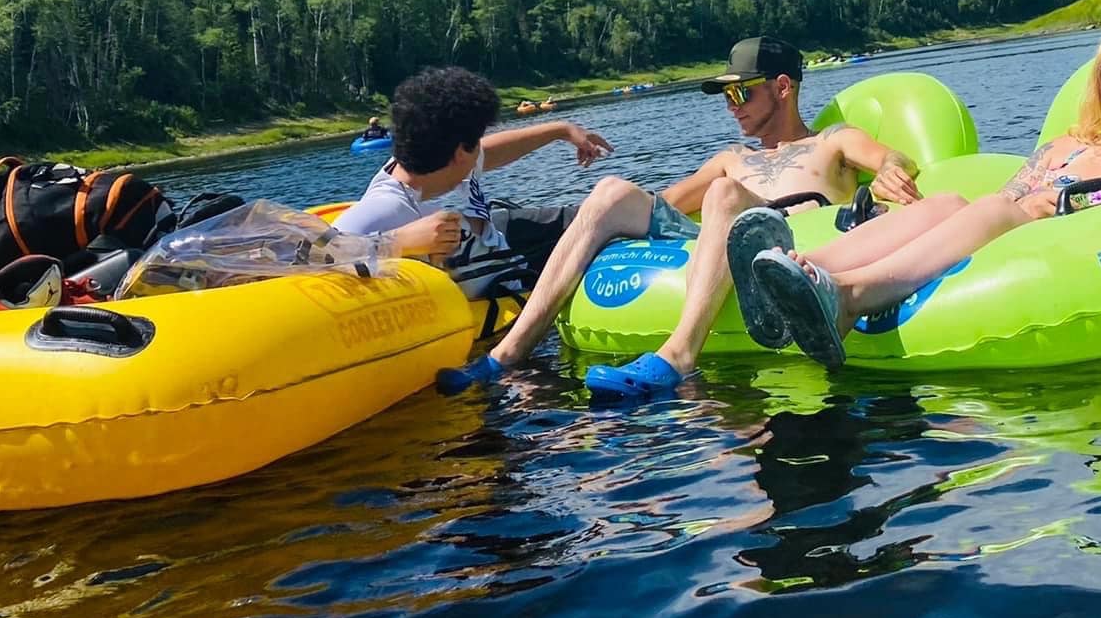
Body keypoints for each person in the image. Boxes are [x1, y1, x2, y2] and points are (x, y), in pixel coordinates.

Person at [737, 19, 1101, 369]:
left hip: (1083, 263)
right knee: (949, 204)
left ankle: (850, 295)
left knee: (1005, 207)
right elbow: (1000, 202)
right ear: (1099, 82)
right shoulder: (1065, 148)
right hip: (1007, 243)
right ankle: (795, 272)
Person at [435, 36, 923, 401]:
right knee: (611, 191)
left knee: (724, 191)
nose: (731, 107)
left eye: (741, 94)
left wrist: (888, 173)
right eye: (725, 97)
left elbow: (893, 157)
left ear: (781, 87)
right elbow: (663, 202)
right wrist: (613, 215)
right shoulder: (731, 157)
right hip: (724, 231)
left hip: (795, 238)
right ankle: (506, 354)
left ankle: (679, 355)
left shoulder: (832, 141)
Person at [334, 66, 615, 283]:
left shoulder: (425, 157)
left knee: (605, 213)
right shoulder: (385, 208)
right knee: (609, 216)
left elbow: (492, 151)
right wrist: (396, 243)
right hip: (504, 271)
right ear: (460, 152)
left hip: (498, 236)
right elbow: (318, 254)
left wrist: (560, 131)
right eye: (477, 140)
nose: (481, 148)